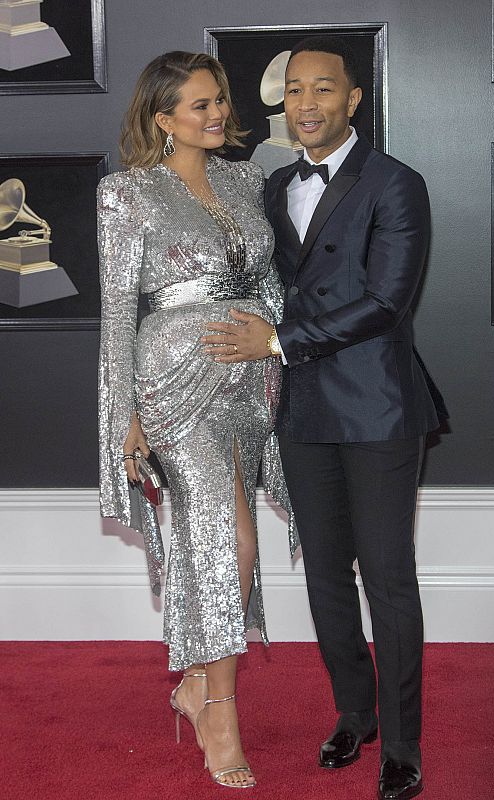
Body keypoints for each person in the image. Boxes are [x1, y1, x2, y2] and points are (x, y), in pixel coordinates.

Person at [202, 36, 446, 800]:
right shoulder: (273, 187)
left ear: (352, 100)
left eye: (322, 90)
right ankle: (354, 714)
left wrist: (275, 341)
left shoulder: (395, 183)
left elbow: (384, 303)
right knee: (326, 580)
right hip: (301, 407)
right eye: (294, 91)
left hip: (376, 405)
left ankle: (401, 744)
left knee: (386, 577)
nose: (305, 103)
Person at [97, 51, 295, 789]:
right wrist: (123, 419)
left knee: (227, 538)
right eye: (200, 105)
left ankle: (195, 687)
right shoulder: (127, 194)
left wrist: (272, 343)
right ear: (162, 118)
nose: (217, 114)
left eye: (219, 101)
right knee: (230, 538)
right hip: (174, 385)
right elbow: (119, 313)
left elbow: (272, 278)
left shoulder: (248, 179)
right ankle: (217, 710)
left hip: (251, 382)